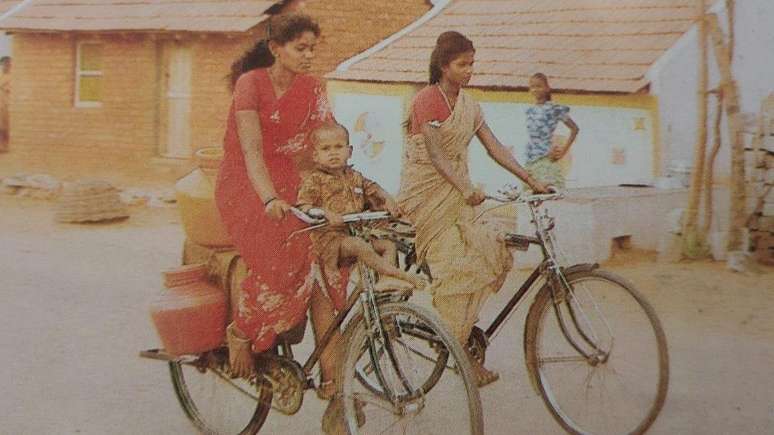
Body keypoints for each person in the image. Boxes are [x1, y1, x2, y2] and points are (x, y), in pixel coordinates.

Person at [398, 31, 548, 386]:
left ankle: (460, 331)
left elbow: (493, 146)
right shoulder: (426, 100)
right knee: (454, 267)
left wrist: (531, 179)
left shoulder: (468, 104)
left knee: (492, 246)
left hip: (461, 194)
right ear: (443, 65)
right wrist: (464, 187)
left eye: (471, 64)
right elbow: (435, 155)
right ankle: (458, 345)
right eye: (462, 65)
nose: (469, 71)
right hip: (428, 197)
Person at [214, 13, 339, 394]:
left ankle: (333, 383)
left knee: (328, 268)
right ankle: (240, 331)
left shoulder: (314, 88)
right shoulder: (250, 84)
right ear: (275, 49)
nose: (308, 56)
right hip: (246, 187)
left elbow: (329, 143)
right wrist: (270, 197)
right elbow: (252, 152)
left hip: (292, 184)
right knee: (283, 260)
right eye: (300, 48)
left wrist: (354, 189)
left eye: (312, 49)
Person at [296, 122, 427, 301]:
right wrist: (325, 213)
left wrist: (388, 199)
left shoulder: (355, 176)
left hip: (355, 235)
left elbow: (373, 188)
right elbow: (303, 206)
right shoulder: (315, 180)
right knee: (359, 245)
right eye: (326, 149)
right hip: (329, 241)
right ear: (316, 155)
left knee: (388, 245)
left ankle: (385, 279)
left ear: (349, 151)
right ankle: (402, 275)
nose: (333, 152)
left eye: (338, 147)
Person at [523, 72, 580, 189]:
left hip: (545, 158)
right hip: (530, 159)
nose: (535, 90)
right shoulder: (530, 110)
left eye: (539, 86)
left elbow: (574, 129)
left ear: (547, 88)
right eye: (532, 87)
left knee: (547, 193)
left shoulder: (554, 108)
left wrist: (563, 151)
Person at [0, 56, 10, 153]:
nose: (5, 66)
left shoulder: (13, 76)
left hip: (8, 104)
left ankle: (6, 146)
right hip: (0, 104)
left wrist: (4, 88)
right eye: (3, 64)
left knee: (7, 126)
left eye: (7, 64)